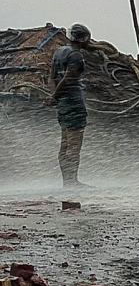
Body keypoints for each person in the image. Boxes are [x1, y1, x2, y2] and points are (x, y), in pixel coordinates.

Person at [45, 24, 91, 188]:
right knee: (73, 145)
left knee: (64, 143)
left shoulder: (58, 52)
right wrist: (55, 96)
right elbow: (69, 78)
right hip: (73, 102)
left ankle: (67, 181)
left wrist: (54, 96)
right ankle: (72, 181)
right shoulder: (76, 56)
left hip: (63, 104)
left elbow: (52, 77)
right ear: (84, 39)